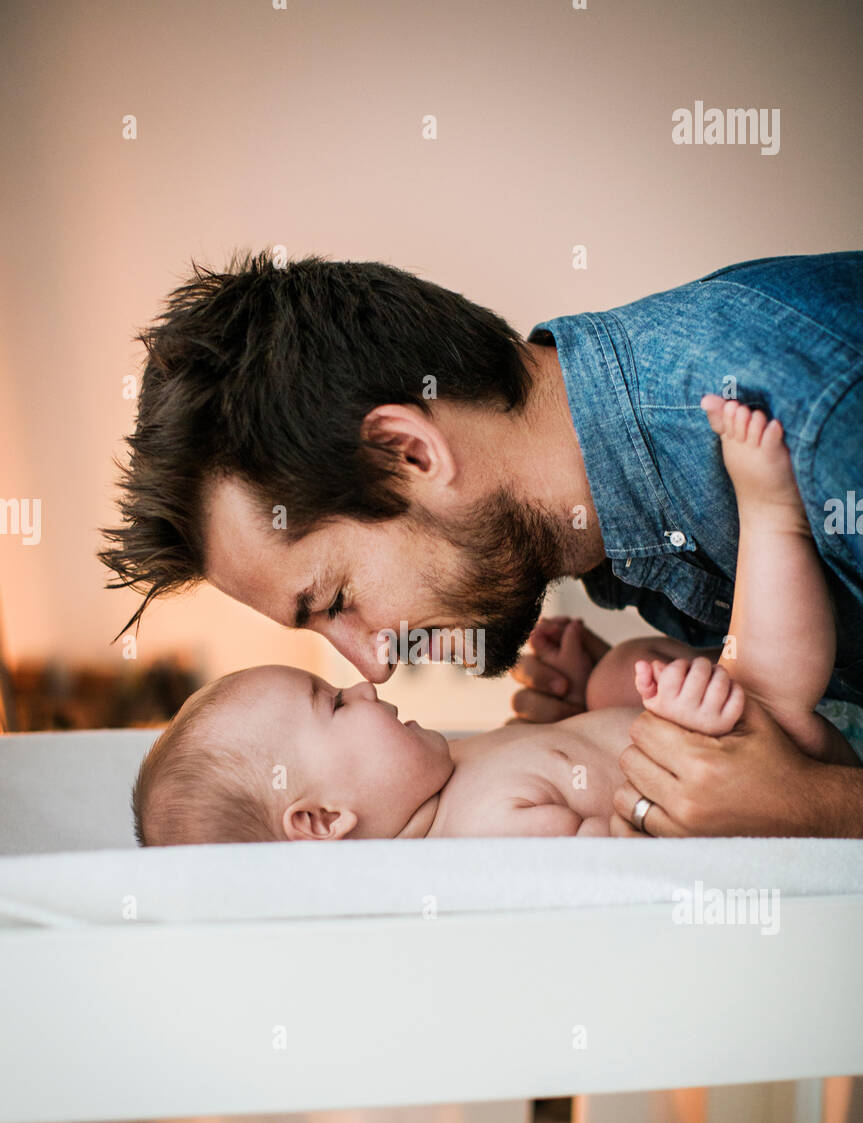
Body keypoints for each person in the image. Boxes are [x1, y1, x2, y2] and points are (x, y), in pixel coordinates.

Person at [100, 252, 863, 836]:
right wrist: (607, 703)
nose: (375, 666)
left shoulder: (828, 427)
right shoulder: (599, 532)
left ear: (408, 454)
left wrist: (821, 809)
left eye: (337, 601)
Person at [133, 401, 858, 847]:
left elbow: (580, 766)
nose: (365, 684)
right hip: (752, 760)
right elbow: (637, 856)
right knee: (762, 681)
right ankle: (771, 518)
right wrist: (689, 721)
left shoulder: (451, 779)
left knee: (617, 673)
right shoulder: (485, 834)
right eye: (331, 704)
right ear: (322, 820)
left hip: (696, 744)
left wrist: (582, 705)